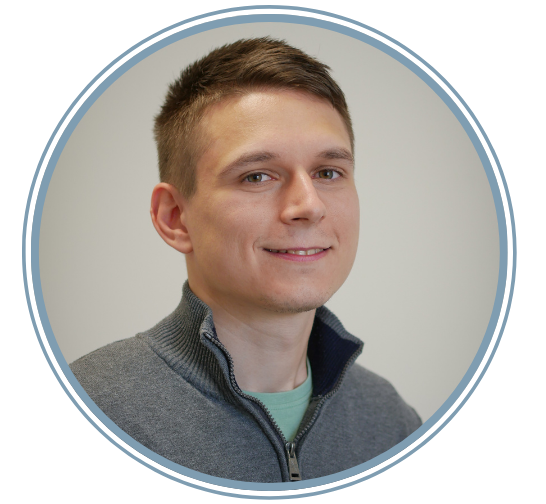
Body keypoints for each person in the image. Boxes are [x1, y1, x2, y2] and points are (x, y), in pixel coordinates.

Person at [70, 37, 421, 483]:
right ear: (175, 218)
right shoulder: (86, 415)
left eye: (328, 172)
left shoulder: (391, 423)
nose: (309, 205)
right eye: (257, 176)